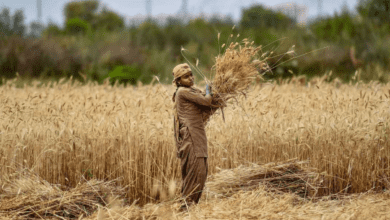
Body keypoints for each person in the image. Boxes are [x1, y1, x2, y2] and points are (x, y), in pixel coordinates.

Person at [172, 63, 217, 212]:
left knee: (201, 173)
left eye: (191, 74)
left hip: (197, 135)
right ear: (178, 81)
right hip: (190, 137)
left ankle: (189, 210)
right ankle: (184, 210)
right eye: (186, 77)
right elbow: (206, 101)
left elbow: (206, 107)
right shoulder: (182, 92)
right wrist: (209, 92)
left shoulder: (191, 91)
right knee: (195, 175)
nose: (190, 78)